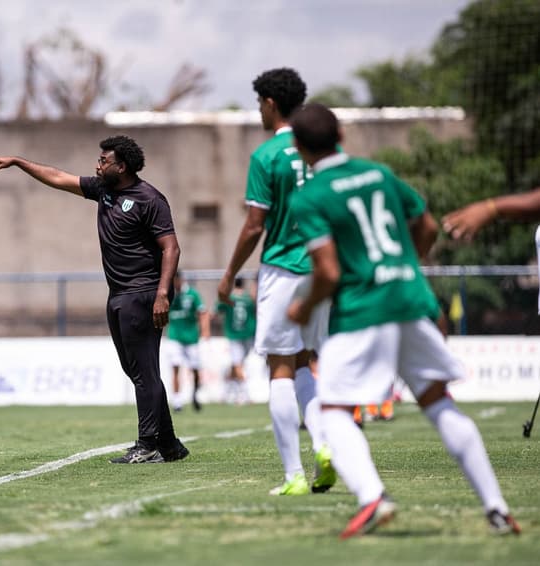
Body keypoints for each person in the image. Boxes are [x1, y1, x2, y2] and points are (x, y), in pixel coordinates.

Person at [286, 102, 520, 538]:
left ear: (299, 148)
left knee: (331, 409)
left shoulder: (310, 196)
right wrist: (409, 263)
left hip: (362, 310)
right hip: (411, 300)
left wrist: (301, 307)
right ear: (340, 134)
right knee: (436, 400)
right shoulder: (379, 173)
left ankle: (373, 498)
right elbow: (426, 224)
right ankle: (497, 508)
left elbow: (329, 271)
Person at [0, 134, 190, 464]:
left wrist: (162, 293)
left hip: (143, 292)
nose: (97, 165)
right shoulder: (103, 190)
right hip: (119, 293)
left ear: (121, 166)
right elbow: (59, 178)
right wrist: (19, 163)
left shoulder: (149, 198)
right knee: (137, 370)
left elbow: (171, 248)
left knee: (143, 371)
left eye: (103, 161)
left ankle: (148, 444)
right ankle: (168, 445)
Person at [216, 67, 334, 495]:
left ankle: (294, 476)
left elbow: (253, 225)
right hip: (321, 269)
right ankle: (323, 447)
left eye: (258, 104)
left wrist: (229, 274)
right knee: (304, 362)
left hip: (283, 269)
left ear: (269, 103)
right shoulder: (321, 151)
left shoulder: (266, 156)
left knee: (279, 369)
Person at [167, 271, 210, 412]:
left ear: (180, 280)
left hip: (192, 338)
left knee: (195, 370)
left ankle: (195, 395)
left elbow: (203, 312)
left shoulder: (192, 294)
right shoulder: (167, 294)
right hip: (174, 337)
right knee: (175, 367)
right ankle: (177, 401)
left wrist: (205, 331)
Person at [214, 277, 256, 405]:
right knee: (237, 364)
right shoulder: (249, 299)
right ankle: (239, 393)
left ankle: (238, 393)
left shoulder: (229, 298)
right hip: (249, 334)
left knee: (237, 364)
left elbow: (217, 310)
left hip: (233, 335)